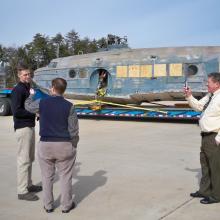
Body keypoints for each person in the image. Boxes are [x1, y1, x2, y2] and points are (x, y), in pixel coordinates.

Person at [25, 77, 79, 213]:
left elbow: (28, 106)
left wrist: (31, 95)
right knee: (65, 177)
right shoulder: (70, 106)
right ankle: (66, 206)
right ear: (63, 90)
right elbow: (73, 129)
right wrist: (74, 144)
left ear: (53, 88)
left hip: (45, 144)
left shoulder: (42, 102)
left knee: (47, 177)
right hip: (64, 145)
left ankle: (48, 206)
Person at [184, 72, 220, 204]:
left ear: (217, 84)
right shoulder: (211, 96)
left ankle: (216, 195)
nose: (206, 84)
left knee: (216, 168)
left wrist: (218, 138)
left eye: (209, 82)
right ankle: (205, 191)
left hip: (214, 137)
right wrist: (189, 96)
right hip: (205, 137)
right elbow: (198, 106)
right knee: (205, 165)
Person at [11, 62, 42, 201]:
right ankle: (22, 191)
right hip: (23, 128)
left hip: (29, 127)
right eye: (25, 74)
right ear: (19, 75)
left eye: (29, 74)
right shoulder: (18, 90)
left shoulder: (28, 87)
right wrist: (34, 113)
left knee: (30, 158)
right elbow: (16, 111)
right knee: (23, 159)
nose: (28, 76)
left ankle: (29, 184)